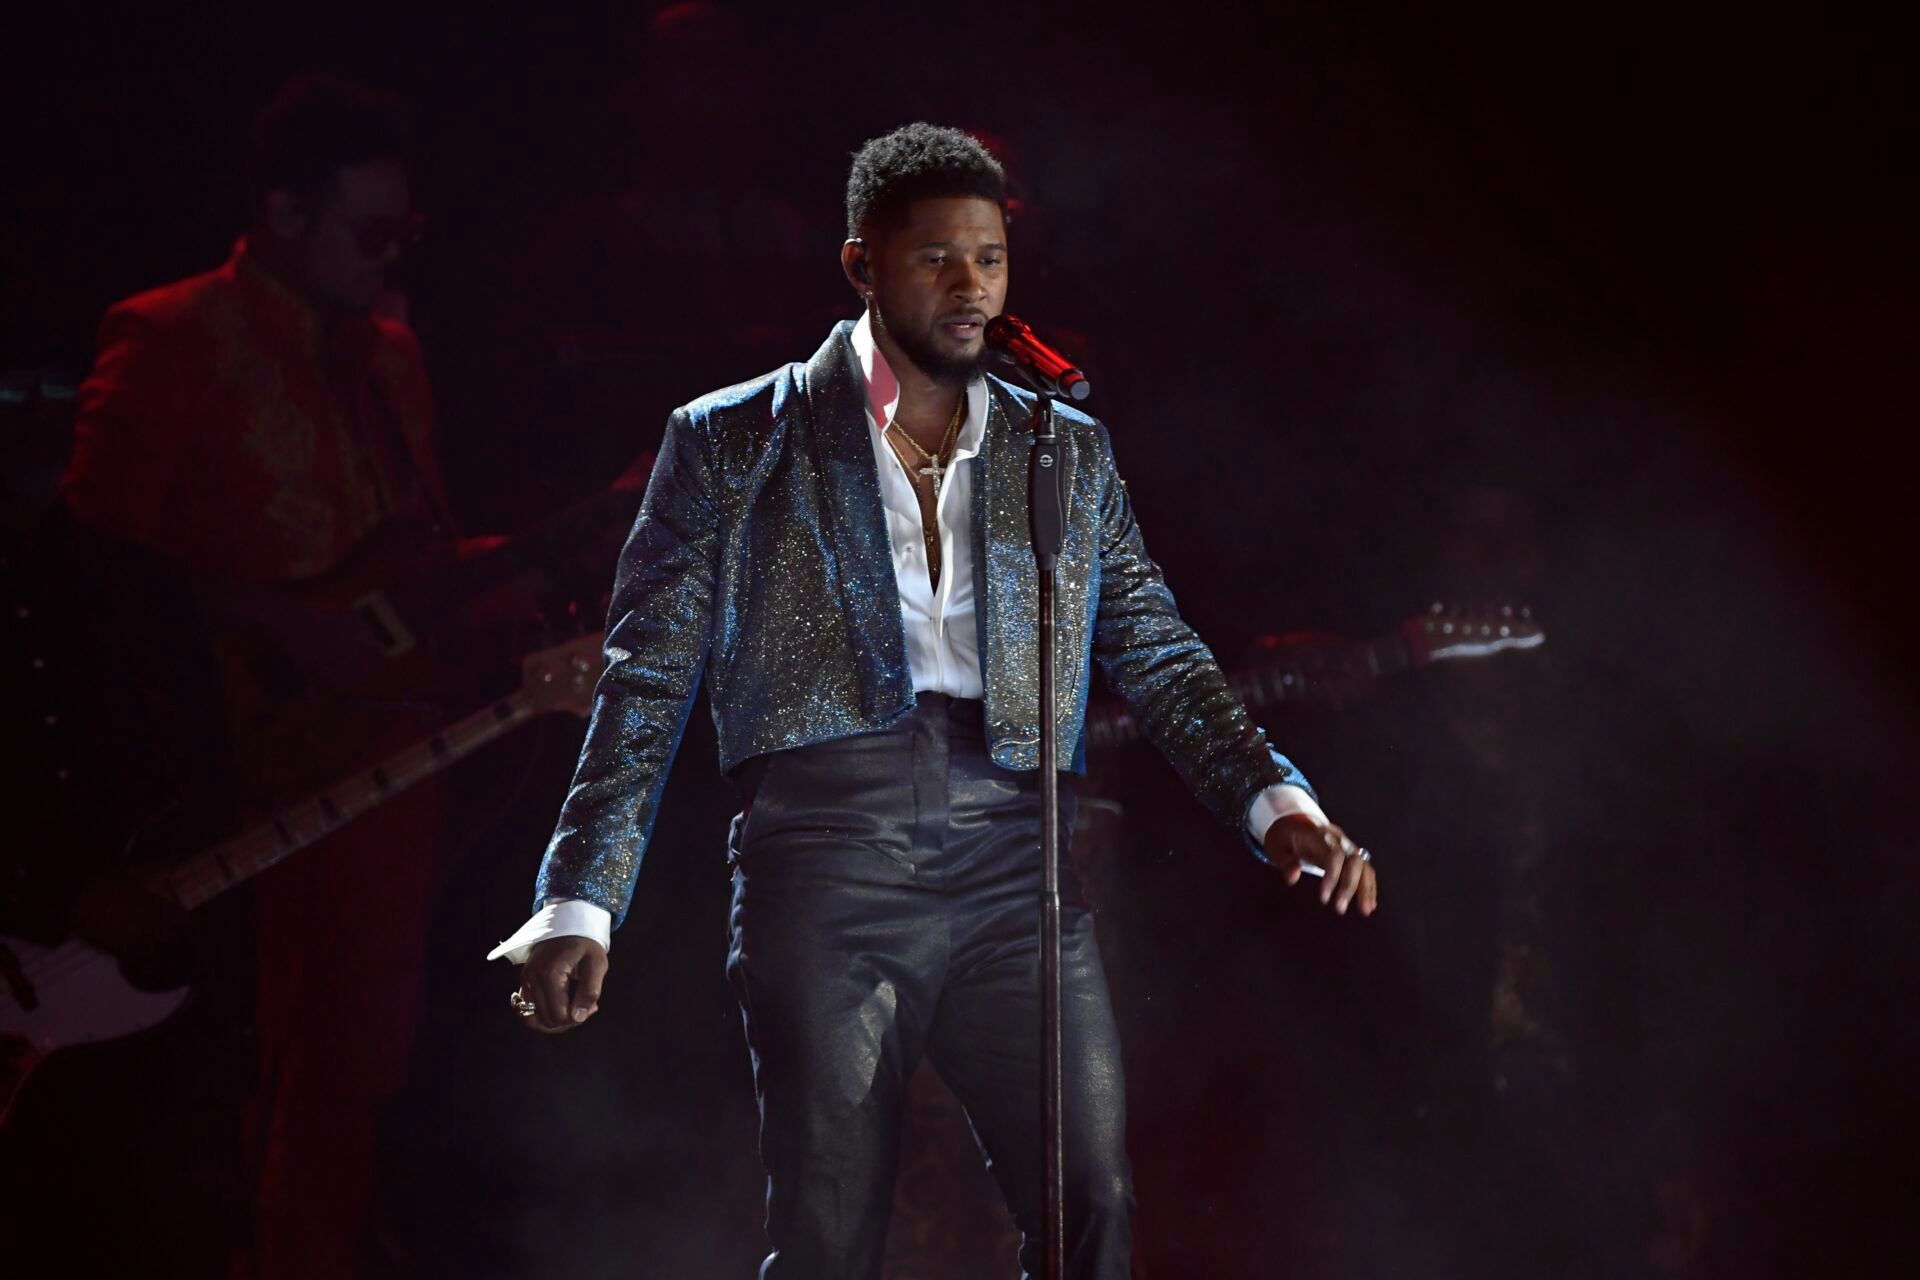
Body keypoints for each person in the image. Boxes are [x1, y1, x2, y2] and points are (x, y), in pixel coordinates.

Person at [489, 123, 1379, 1279]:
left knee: (1092, 1207)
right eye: (936, 260)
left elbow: (1154, 643)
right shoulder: (728, 441)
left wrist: (1275, 800)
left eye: (991, 259)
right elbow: (646, 676)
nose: (971, 288)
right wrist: (579, 900)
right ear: (862, 264)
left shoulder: (1061, 448)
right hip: (824, 849)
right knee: (830, 1229)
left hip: (1022, 860)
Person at [58, 73, 452, 1278]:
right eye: (368, 231)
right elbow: (87, 570)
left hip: (382, 771)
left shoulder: (388, 353)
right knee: (238, 1059)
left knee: (356, 1059)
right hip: (231, 774)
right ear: (284, 215)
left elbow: (416, 552)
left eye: (405, 232)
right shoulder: (172, 334)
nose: (391, 256)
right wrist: (275, 624)